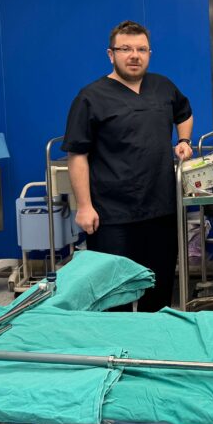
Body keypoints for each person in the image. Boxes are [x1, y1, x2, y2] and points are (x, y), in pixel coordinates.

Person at [62, 20, 194, 311]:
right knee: (113, 290)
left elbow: (184, 113)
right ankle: (114, 352)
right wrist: (84, 206)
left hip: (161, 207)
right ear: (111, 54)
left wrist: (184, 140)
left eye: (141, 49)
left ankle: (156, 346)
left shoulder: (163, 86)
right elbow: (77, 155)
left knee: (159, 287)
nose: (134, 55)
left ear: (149, 53)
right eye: (126, 49)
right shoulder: (90, 97)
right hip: (112, 214)